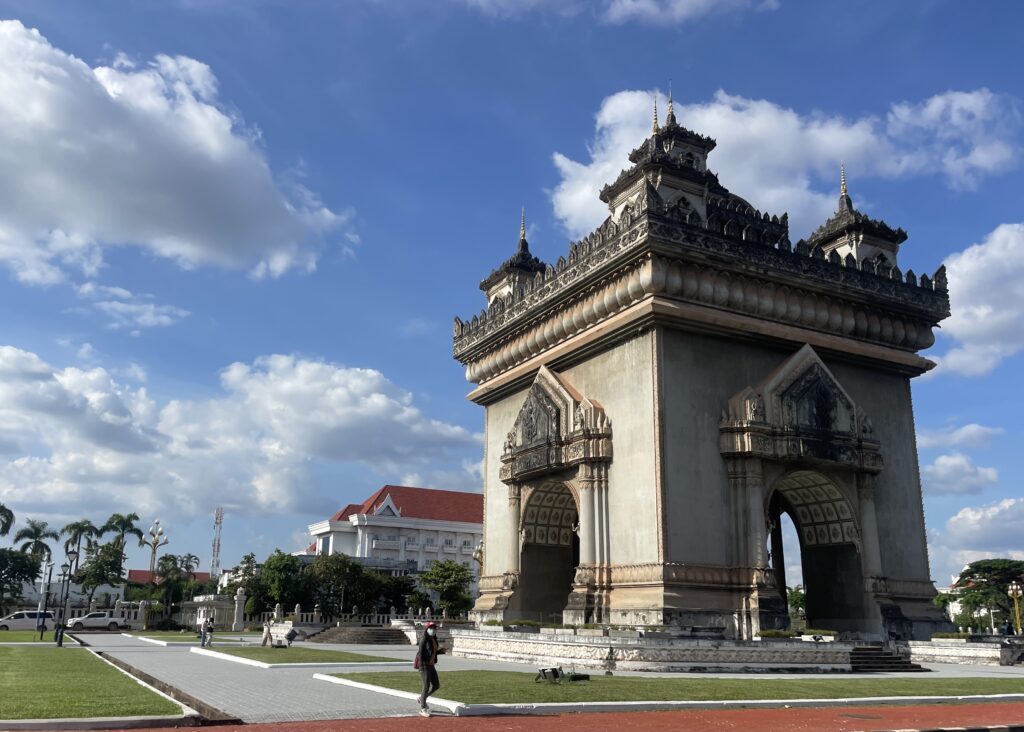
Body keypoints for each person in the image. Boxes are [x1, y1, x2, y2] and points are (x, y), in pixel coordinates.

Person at [416, 621, 443, 717]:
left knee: (436, 685)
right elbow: (421, 653)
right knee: (426, 686)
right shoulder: (424, 639)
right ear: (427, 629)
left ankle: (421, 698)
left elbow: (433, 652)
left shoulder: (434, 639)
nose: (433, 630)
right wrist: (421, 667)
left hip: (431, 665)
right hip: (425, 666)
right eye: (431, 628)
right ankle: (423, 708)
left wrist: (441, 651)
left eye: (434, 628)